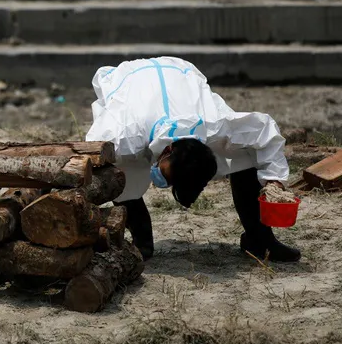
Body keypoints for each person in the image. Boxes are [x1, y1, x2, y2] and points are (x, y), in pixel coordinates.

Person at [85, 56, 300, 263]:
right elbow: (93, 153)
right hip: (131, 78)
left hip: (180, 77)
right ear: (168, 150)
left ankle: (260, 240)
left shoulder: (216, 124)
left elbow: (264, 130)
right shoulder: (121, 132)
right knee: (119, 167)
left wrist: (273, 180)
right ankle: (142, 242)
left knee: (246, 154)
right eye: (169, 177)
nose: (165, 185)